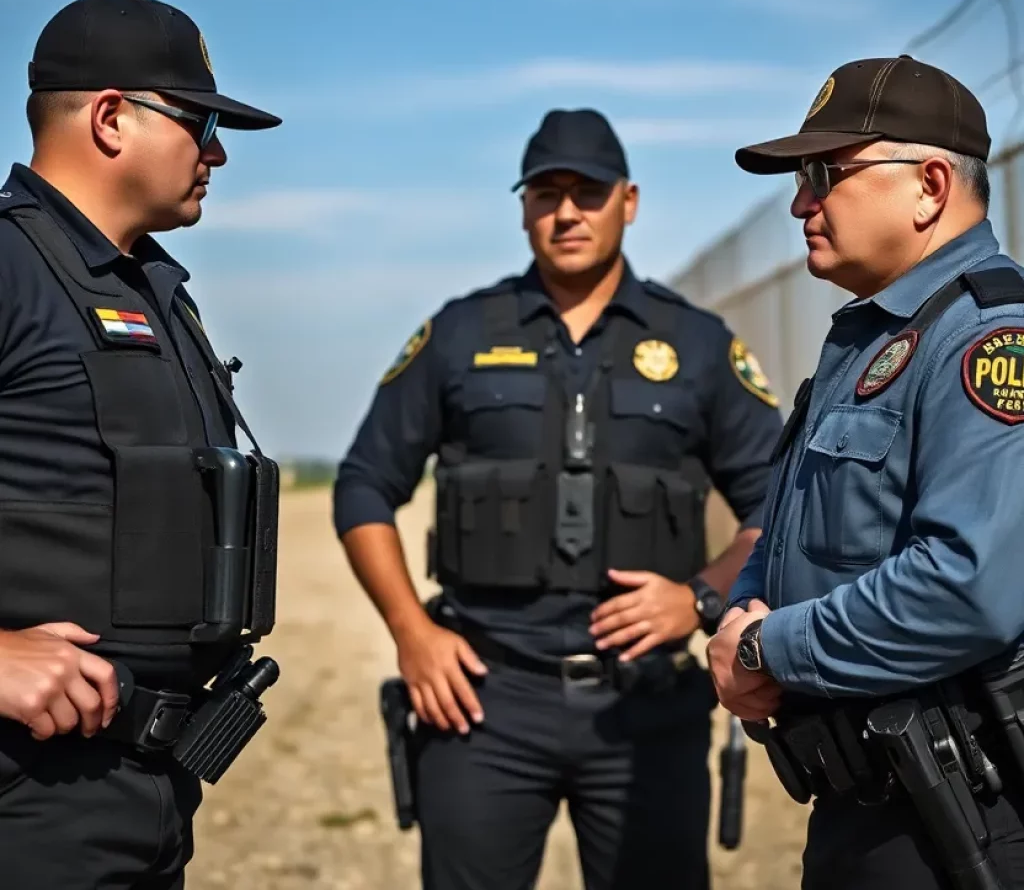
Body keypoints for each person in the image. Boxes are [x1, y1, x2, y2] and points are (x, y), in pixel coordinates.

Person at [334, 108, 783, 890]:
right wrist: (411, 633)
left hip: (646, 707)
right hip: (483, 704)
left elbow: (777, 503)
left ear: (630, 201)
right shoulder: (459, 333)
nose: (567, 212)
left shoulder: (698, 345)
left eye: (589, 192)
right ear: (522, 208)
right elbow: (363, 484)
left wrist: (701, 599)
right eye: (546, 193)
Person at [706, 54, 1024, 889]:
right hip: (866, 807)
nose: (799, 201)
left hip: (968, 819)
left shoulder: (989, 340)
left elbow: (966, 587)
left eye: (825, 173)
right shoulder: (873, 339)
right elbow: (794, 532)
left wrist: (766, 650)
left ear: (928, 185)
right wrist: (742, 623)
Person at [0, 0, 282, 889]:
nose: (218, 152)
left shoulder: (154, 293)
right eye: (198, 122)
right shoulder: (8, 269)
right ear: (113, 117)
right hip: (26, 793)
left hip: (146, 789)